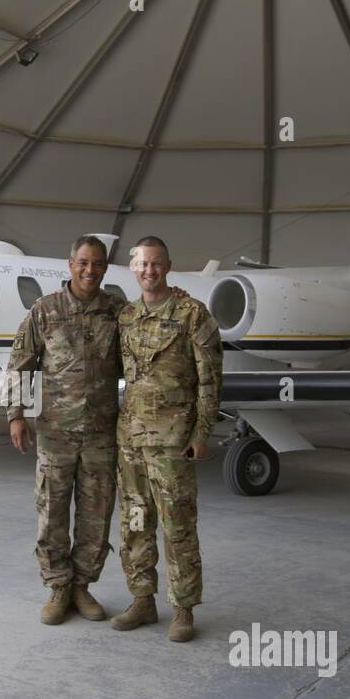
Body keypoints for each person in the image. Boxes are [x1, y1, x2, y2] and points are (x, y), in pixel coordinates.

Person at [111, 237, 223, 642]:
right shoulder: (126, 317)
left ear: (168, 266)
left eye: (156, 264)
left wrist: (202, 432)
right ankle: (142, 600)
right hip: (131, 444)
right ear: (133, 268)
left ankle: (183, 609)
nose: (149, 270)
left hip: (173, 443)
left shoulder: (193, 314)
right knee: (135, 524)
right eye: (142, 264)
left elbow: (210, 380)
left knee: (178, 527)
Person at [7, 235, 123, 624]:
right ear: (70, 263)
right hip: (56, 434)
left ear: (105, 267)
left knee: (96, 514)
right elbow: (20, 364)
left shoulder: (117, 313)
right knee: (52, 512)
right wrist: (15, 415)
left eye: (98, 264)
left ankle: (82, 587)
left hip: (101, 435)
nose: (90, 270)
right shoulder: (45, 311)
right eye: (84, 263)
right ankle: (58, 586)